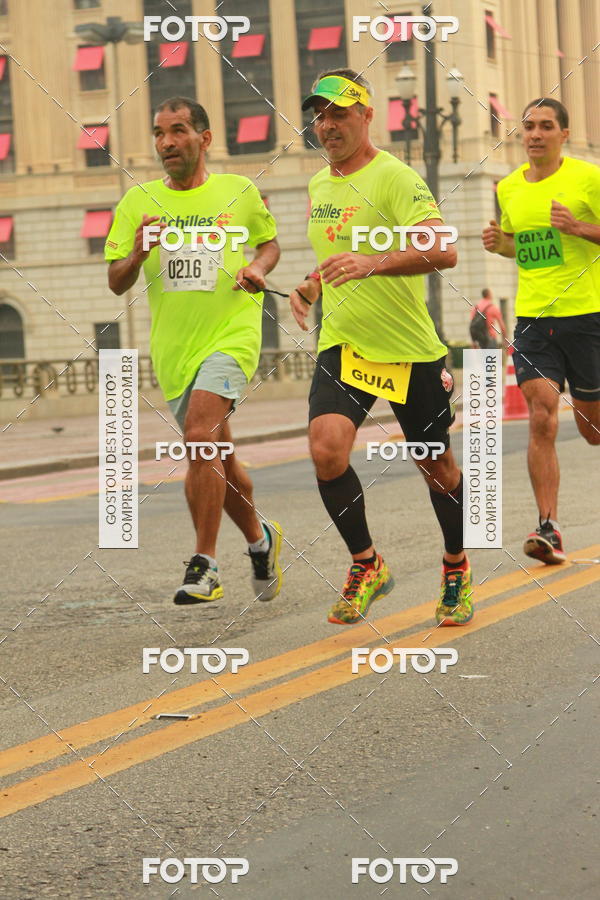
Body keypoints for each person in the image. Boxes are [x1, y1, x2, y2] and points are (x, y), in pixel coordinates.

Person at [290, 69, 472, 627]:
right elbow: (337, 254)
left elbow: (443, 250)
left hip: (408, 349)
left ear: (367, 115)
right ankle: (367, 563)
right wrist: (313, 284)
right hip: (346, 345)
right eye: (320, 116)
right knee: (326, 450)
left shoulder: (395, 177)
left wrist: (373, 263)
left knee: (436, 465)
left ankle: (456, 565)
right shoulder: (320, 186)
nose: (327, 125)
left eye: (339, 113)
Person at [106, 97, 284, 604]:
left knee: (199, 438)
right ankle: (261, 541)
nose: (166, 142)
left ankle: (206, 564)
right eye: (159, 133)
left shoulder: (238, 191)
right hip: (175, 349)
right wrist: (138, 252)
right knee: (218, 457)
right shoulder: (137, 202)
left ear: (204, 139)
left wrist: (258, 268)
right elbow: (116, 281)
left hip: (231, 334)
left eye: (178, 130)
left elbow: (269, 243)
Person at [483, 97, 600, 564]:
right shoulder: (509, 187)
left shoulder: (588, 178)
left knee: (592, 431)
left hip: (587, 316)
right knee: (541, 416)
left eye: (546, 126)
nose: (534, 134)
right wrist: (501, 244)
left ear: (563, 134)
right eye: (528, 125)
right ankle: (548, 527)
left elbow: (577, 233)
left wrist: (580, 227)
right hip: (533, 320)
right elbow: (525, 246)